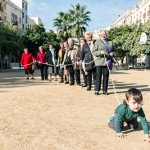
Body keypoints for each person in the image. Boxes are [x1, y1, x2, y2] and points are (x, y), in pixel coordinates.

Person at [92, 29, 116, 95]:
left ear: (106, 34)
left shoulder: (110, 42)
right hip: (99, 62)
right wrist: (100, 52)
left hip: (107, 61)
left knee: (106, 76)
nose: (103, 36)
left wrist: (112, 53)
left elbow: (115, 50)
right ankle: (97, 90)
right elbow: (94, 52)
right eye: (101, 35)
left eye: (104, 34)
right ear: (99, 35)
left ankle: (105, 90)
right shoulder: (97, 42)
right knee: (98, 76)